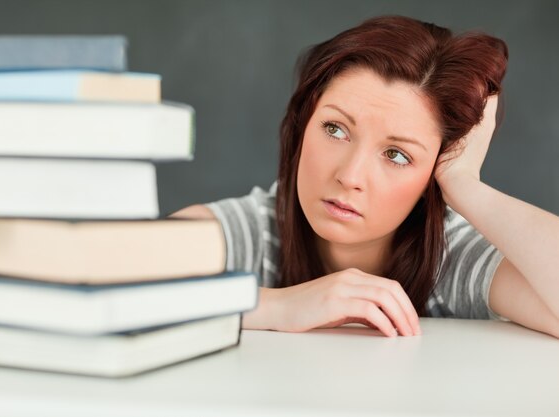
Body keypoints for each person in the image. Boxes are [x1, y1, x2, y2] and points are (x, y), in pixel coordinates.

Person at [171, 15, 559, 338]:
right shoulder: (258, 229)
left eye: (396, 155)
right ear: (302, 124)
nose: (350, 175)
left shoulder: (448, 256)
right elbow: (116, 273)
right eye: (335, 129)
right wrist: (275, 306)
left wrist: (464, 185)